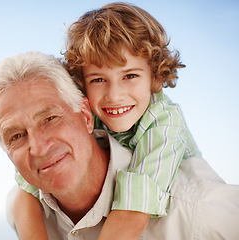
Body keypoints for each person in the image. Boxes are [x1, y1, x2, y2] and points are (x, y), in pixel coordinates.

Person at [0, 51, 239, 240]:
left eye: (50, 118)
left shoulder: (202, 212)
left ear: (85, 116)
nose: (38, 147)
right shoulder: (20, 208)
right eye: (16, 136)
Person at [13, 2, 201, 239]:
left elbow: (133, 209)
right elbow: (26, 190)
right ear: (81, 83)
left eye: (130, 75)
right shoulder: (85, 111)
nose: (114, 96)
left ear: (155, 75)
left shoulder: (164, 123)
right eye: (98, 79)